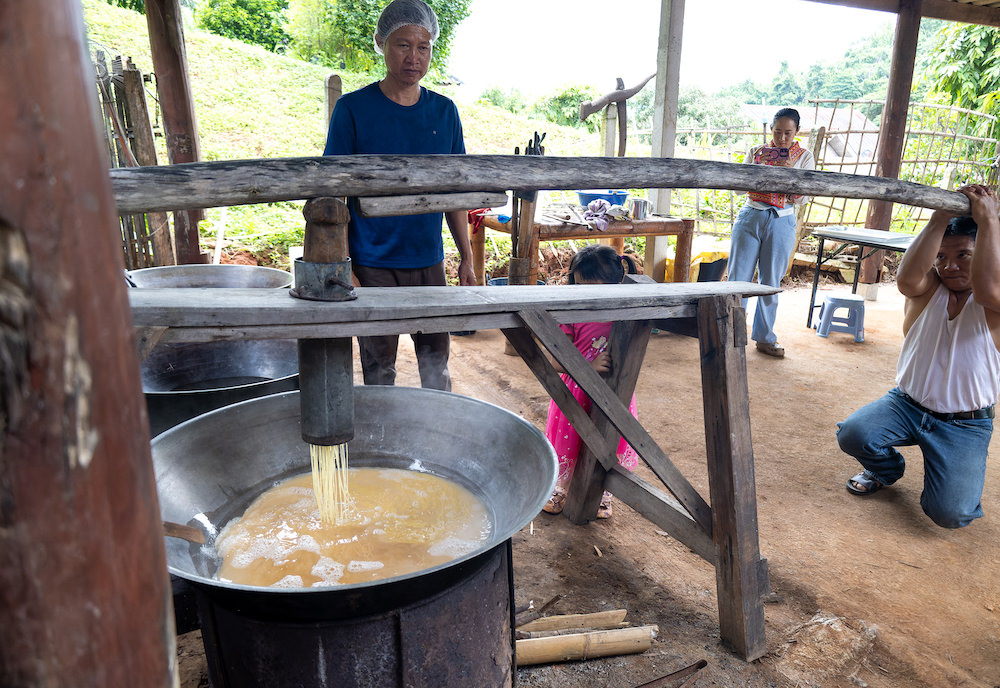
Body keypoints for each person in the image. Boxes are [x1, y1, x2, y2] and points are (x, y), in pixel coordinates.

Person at [323, 0, 475, 391]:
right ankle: (382, 445)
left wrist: (467, 259)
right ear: (381, 44)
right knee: (378, 369)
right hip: (373, 264)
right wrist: (344, 264)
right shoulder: (353, 109)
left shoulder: (444, 112)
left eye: (422, 47)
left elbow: (454, 191)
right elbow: (332, 195)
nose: (414, 57)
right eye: (402, 45)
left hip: (429, 263)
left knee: (436, 367)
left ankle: (435, 441)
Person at [837, 185, 1000, 529]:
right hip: (906, 406)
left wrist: (988, 221)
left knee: (950, 513)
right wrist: (939, 216)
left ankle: (950, 473)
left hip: (965, 423)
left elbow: (988, 288)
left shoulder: (993, 307)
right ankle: (886, 469)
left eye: (964, 256)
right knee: (853, 433)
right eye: (941, 257)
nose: (950, 266)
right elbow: (907, 277)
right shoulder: (927, 292)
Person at [542, 245, 642, 519]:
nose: (584, 293)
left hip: (615, 391)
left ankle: (603, 493)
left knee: (610, 441)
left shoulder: (625, 313)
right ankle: (561, 487)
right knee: (571, 440)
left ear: (616, 283)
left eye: (592, 287)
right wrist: (587, 367)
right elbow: (555, 361)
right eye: (579, 286)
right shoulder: (572, 316)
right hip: (576, 391)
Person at [726, 107, 816, 358]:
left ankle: (765, 338)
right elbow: (738, 190)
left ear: (798, 131)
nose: (782, 138)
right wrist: (758, 168)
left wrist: (789, 172)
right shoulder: (756, 152)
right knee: (737, 279)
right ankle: (732, 334)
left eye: (788, 133)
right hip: (751, 216)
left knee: (770, 281)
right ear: (771, 130)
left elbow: (802, 198)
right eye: (778, 132)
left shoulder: (804, 157)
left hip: (782, 220)